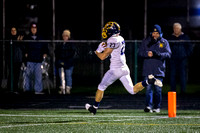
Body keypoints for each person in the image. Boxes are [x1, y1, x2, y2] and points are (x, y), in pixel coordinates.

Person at [85, 21, 163, 115]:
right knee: (132, 90)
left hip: (115, 70)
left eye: (107, 29)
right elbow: (112, 47)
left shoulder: (112, 40)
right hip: (124, 68)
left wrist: (97, 51)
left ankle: (94, 108)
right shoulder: (120, 38)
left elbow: (102, 57)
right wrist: (105, 46)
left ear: (111, 31)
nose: (105, 31)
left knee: (101, 87)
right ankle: (148, 81)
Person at [138, 24, 171, 113]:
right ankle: (148, 106)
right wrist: (146, 54)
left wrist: (158, 54)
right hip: (148, 69)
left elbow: (168, 54)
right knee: (148, 89)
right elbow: (140, 52)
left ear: (160, 33)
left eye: (157, 33)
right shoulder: (146, 41)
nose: (155, 34)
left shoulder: (164, 42)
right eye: (154, 32)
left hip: (159, 70)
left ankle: (157, 107)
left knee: (157, 90)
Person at [168, 23, 193, 95]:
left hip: (182, 59)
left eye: (177, 28)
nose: (176, 30)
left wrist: (186, 55)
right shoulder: (170, 38)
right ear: (173, 29)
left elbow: (190, 48)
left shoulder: (185, 37)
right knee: (172, 75)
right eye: (175, 28)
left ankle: (183, 91)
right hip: (172, 60)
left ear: (180, 29)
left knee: (182, 75)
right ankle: (173, 91)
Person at [24, 23, 48, 94]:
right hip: (30, 60)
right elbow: (24, 46)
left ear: (36, 29)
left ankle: (38, 90)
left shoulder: (40, 37)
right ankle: (27, 90)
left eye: (35, 28)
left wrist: (45, 52)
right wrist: (25, 53)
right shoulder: (27, 37)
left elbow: (45, 46)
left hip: (38, 60)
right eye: (32, 28)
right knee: (28, 76)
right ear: (30, 29)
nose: (33, 29)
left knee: (38, 76)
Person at [55, 29, 76, 94]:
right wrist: (60, 59)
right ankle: (62, 88)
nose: (65, 37)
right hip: (61, 62)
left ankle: (68, 88)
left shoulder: (71, 44)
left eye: (66, 36)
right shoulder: (60, 44)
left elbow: (72, 52)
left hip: (69, 62)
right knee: (61, 75)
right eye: (64, 36)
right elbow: (56, 51)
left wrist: (65, 57)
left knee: (68, 75)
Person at [6, 27, 25, 93]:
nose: (13, 31)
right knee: (11, 74)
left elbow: (22, 48)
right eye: (12, 30)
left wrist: (19, 41)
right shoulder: (9, 39)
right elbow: (9, 49)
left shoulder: (20, 38)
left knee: (17, 75)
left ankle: (15, 89)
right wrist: (17, 41)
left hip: (18, 60)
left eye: (14, 30)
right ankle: (9, 89)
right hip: (11, 60)